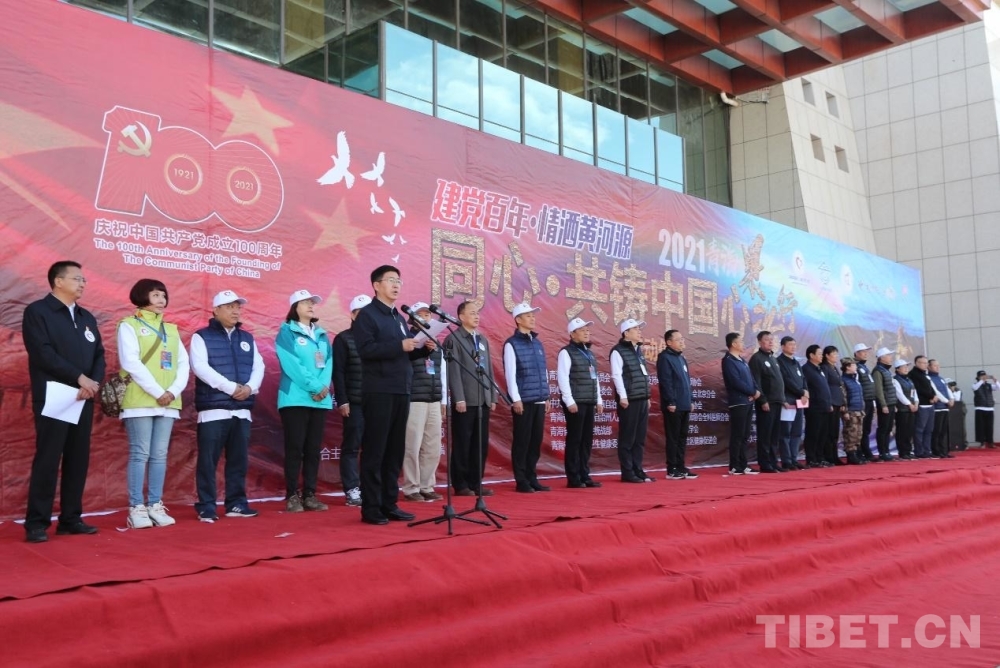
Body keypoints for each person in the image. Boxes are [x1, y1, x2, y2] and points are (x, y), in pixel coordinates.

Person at [22, 261, 106, 543]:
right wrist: (78, 378)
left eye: (84, 279)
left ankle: (70, 519)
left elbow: (99, 354)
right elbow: (42, 353)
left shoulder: (86, 316)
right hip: (54, 396)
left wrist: (92, 383)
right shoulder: (38, 312)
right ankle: (37, 523)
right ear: (58, 281)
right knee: (48, 459)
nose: (82, 283)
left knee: (77, 459)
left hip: (83, 397)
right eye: (77, 278)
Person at [353, 265, 436, 525]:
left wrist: (423, 349)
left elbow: (405, 353)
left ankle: (389, 503)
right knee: (375, 450)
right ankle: (371, 508)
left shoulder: (399, 318)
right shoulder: (367, 316)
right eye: (390, 280)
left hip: (402, 390)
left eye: (398, 280)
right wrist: (399, 345)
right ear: (376, 285)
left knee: (394, 451)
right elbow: (366, 350)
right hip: (378, 390)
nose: (396, 284)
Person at [117, 278, 190, 529]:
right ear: (142, 296)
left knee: (159, 455)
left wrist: (172, 391)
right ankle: (136, 507)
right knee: (140, 453)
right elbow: (130, 362)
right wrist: (158, 391)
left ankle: (155, 505)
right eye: (155, 295)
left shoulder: (171, 329)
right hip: (140, 400)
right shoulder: (129, 325)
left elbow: (183, 363)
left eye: (163, 295)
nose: (161, 300)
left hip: (169, 401)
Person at [190, 290, 265, 522]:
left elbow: (259, 367)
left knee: (238, 461)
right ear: (216, 310)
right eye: (230, 306)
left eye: (238, 307)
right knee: (208, 461)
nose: (235, 311)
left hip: (242, 411)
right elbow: (200, 368)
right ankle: (206, 506)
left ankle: (236, 504)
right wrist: (231, 388)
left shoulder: (247, 338)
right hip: (213, 410)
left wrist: (250, 388)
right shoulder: (201, 337)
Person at [275, 289, 332, 513]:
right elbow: (292, 365)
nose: (310, 305)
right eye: (305, 302)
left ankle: (310, 494)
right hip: (295, 399)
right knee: (295, 448)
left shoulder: (322, 334)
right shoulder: (286, 332)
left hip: (319, 400)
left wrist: (323, 387)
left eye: (312, 302)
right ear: (294, 307)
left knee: (313, 449)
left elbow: (328, 363)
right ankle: (292, 495)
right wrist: (316, 387)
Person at [445, 300, 498, 497]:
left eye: (478, 313)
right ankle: (461, 484)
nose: (476, 316)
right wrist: (458, 398)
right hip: (465, 401)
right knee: (462, 443)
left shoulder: (482, 339)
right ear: (461, 316)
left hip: (482, 399)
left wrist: (491, 395)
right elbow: (453, 371)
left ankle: (476, 482)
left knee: (480, 444)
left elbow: (489, 369)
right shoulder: (454, 339)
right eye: (472, 313)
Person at [401, 302, 446, 502]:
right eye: (421, 314)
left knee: (432, 446)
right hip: (414, 399)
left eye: (428, 314)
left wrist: (443, 399)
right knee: (412, 445)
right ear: (412, 318)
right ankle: (411, 487)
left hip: (434, 398)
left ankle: (427, 486)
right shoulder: (407, 340)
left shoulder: (435, 343)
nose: (426, 317)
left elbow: (442, 373)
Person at [505, 302, 551, 492]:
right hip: (523, 400)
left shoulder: (537, 343)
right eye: (528, 315)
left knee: (535, 441)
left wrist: (546, 396)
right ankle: (521, 480)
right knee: (522, 441)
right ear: (518, 320)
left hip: (539, 398)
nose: (532, 318)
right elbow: (510, 373)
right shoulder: (511, 344)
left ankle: (532, 477)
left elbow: (543, 371)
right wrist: (515, 399)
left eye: (533, 315)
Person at [332, 294, 370, 507]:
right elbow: (338, 372)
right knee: (352, 446)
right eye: (361, 313)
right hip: (354, 402)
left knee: (373, 447)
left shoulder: (377, 340)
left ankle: (369, 486)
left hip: (375, 402)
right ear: (353, 315)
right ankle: (352, 488)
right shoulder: (343, 338)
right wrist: (343, 400)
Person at [557, 317, 604, 488]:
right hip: (575, 402)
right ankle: (573, 477)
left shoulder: (589, 353)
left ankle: (585, 474)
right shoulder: (566, 352)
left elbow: (594, 378)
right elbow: (562, 377)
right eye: (582, 330)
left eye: (587, 330)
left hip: (589, 400)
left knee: (586, 440)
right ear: (572, 334)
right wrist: (569, 400)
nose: (586, 332)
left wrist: (598, 399)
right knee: (575, 439)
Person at [611, 319, 654, 482]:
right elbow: (617, 375)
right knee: (628, 437)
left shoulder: (638, 351)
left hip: (641, 398)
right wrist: (623, 396)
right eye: (635, 329)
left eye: (639, 328)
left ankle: (638, 469)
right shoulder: (618, 351)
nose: (639, 331)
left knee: (639, 437)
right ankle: (627, 472)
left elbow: (643, 375)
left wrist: (647, 396)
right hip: (629, 400)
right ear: (626, 333)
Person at [657, 329, 697, 479]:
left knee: (682, 437)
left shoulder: (681, 358)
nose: (682, 342)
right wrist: (670, 401)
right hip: (673, 405)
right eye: (678, 339)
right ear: (669, 342)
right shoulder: (664, 358)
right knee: (673, 437)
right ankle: (672, 468)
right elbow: (665, 381)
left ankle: (681, 465)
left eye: (682, 339)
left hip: (684, 403)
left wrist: (691, 400)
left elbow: (687, 382)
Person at [721, 332, 761, 475]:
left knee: (745, 435)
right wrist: (752, 392)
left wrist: (756, 391)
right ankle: (734, 465)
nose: (743, 344)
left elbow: (751, 378)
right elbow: (735, 381)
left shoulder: (742, 360)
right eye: (741, 341)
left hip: (748, 401)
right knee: (737, 434)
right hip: (738, 402)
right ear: (733, 344)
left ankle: (743, 464)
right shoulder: (728, 360)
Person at [749, 331, 785, 473]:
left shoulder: (773, 359)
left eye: (772, 339)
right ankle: (765, 463)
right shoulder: (756, 359)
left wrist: (782, 399)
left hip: (777, 401)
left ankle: (773, 461)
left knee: (774, 434)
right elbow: (756, 382)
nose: (770, 342)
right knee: (765, 433)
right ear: (759, 342)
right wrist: (763, 400)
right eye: (767, 339)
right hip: (766, 402)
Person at [776, 336, 808, 470]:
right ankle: (786, 460)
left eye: (794, 344)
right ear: (783, 347)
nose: (793, 347)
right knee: (785, 433)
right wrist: (801, 392)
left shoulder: (796, 362)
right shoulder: (779, 361)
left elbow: (803, 379)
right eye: (790, 344)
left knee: (797, 432)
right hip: (788, 401)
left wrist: (805, 392)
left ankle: (794, 459)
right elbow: (786, 381)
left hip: (800, 401)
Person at [801, 344, 833, 468]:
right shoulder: (806, 369)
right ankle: (811, 458)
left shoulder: (819, 369)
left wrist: (829, 403)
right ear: (811, 355)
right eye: (819, 354)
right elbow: (805, 388)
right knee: (813, 433)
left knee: (822, 434)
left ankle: (820, 457)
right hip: (814, 407)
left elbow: (825, 388)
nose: (821, 356)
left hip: (824, 406)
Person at [820, 346, 845, 466]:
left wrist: (842, 402)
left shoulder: (834, 368)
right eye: (834, 354)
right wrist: (829, 402)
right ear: (827, 355)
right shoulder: (825, 367)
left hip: (837, 402)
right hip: (830, 402)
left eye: (837, 353)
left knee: (835, 431)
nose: (836, 356)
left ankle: (835, 456)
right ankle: (828, 456)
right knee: (829, 431)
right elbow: (824, 386)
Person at [852, 343, 878, 462]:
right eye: (863, 351)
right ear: (856, 353)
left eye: (866, 351)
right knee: (860, 428)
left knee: (866, 428)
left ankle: (866, 451)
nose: (865, 353)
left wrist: (873, 401)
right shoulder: (855, 367)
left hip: (869, 400)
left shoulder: (864, 367)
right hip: (862, 401)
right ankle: (859, 452)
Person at [871, 347, 897, 462]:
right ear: (881, 358)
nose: (891, 357)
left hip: (890, 403)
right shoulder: (878, 371)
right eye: (888, 355)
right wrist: (883, 404)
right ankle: (882, 452)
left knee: (888, 428)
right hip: (885, 404)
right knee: (883, 428)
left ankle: (886, 451)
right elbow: (879, 390)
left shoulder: (886, 370)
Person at [909, 356, 936, 459]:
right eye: (923, 363)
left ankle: (927, 450)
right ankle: (919, 451)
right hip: (921, 405)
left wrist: (933, 395)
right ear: (917, 363)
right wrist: (931, 396)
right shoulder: (913, 374)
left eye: (926, 363)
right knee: (919, 429)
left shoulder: (925, 374)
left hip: (930, 405)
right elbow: (918, 389)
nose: (925, 365)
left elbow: (930, 387)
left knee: (929, 430)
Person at [927, 359, 955, 459]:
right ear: (929, 367)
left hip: (945, 408)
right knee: (936, 430)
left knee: (943, 431)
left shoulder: (941, 378)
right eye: (935, 365)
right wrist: (946, 401)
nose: (937, 367)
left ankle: (944, 450)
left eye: (938, 365)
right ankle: (936, 451)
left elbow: (947, 390)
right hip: (937, 408)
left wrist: (952, 399)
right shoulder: (929, 378)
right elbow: (936, 392)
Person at [840, 359, 866, 465]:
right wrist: (845, 411)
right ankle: (851, 454)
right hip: (851, 410)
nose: (856, 367)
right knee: (851, 433)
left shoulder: (855, 379)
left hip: (859, 409)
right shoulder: (843, 380)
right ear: (847, 367)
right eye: (853, 365)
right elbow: (844, 396)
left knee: (858, 433)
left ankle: (857, 452)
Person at [892, 359, 918, 460]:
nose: (906, 368)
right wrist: (909, 404)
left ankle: (908, 450)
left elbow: (914, 393)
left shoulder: (909, 380)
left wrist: (916, 403)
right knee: (902, 431)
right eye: (903, 367)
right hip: (902, 409)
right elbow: (899, 394)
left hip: (911, 408)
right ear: (897, 369)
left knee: (909, 431)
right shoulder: (895, 380)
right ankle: (902, 452)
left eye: (907, 366)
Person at [972, 370, 998, 448]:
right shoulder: (975, 384)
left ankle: (990, 442)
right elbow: (975, 388)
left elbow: (998, 387)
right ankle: (982, 442)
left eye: (985, 375)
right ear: (978, 377)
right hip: (980, 408)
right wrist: (981, 380)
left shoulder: (989, 385)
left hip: (990, 408)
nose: (984, 377)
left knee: (989, 426)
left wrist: (995, 380)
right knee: (980, 426)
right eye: (982, 376)